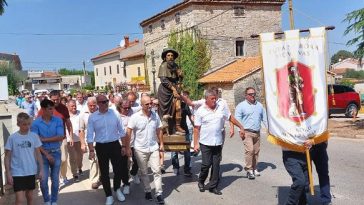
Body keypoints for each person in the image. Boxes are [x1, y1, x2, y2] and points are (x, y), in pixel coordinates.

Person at [193, 89, 245, 195]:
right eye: (212, 99)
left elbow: (230, 118)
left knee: (216, 165)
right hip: (205, 143)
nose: (214, 100)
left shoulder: (221, 108)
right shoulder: (200, 111)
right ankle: (201, 181)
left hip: (218, 142)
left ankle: (213, 186)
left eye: (215, 98)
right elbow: (196, 129)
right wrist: (195, 143)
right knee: (206, 164)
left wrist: (240, 126)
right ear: (206, 99)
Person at [86, 94, 129, 205]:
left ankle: (117, 189)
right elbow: (90, 135)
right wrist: (91, 150)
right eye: (103, 102)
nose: (105, 103)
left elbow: (122, 131)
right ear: (98, 104)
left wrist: (124, 146)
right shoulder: (93, 117)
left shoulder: (115, 114)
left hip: (115, 145)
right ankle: (108, 195)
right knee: (104, 173)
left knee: (118, 169)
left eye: (106, 101)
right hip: (101, 146)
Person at [126, 95, 165, 204]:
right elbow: (128, 131)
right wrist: (128, 147)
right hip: (140, 149)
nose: (149, 106)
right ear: (142, 105)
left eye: (150, 103)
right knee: (144, 172)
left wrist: (161, 143)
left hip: (153, 148)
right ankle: (148, 190)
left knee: (157, 171)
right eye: (147, 104)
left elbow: (159, 130)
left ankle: (159, 193)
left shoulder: (155, 116)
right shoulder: (135, 117)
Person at [5, 112, 43, 205]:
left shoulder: (34, 136)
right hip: (17, 172)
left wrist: (41, 170)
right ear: (18, 124)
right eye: (24, 124)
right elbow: (7, 157)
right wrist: (8, 173)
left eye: (29, 124)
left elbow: (38, 154)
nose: (27, 126)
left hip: (31, 171)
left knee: (30, 197)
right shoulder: (12, 138)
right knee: (20, 199)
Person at [31, 99, 64, 205]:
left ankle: (54, 201)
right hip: (42, 155)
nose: (52, 110)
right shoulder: (36, 123)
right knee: (43, 180)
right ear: (44, 109)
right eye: (50, 108)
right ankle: (46, 200)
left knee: (55, 180)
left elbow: (60, 136)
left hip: (56, 152)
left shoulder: (58, 120)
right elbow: (36, 142)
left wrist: (43, 139)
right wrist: (46, 154)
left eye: (53, 108)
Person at [38, 90, 73, 185]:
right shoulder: (43, 109)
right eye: (53, 100)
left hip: (62, 138)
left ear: (60, 98)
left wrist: (71, 137)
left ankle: (63, 175)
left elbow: (68, 123)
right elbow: (37, 122)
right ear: (50, 98)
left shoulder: (64, 108)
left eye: (57, 99)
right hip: (47, 139)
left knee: (64, 159)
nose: (55, 102)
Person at [235, 87, 267, 180]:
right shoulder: (241, 106)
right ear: (246, 95)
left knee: (256, 151)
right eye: (250, 94)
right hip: (246, 132)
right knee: (250, 150)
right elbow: (237, 119)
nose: (252, 95)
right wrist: (240, 130)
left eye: (254, 94)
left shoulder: (260, 106)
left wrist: (269, 129)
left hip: (257, 132)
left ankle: (254, 167)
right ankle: (249, 170)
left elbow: (264, 118)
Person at [157, 48, 185, 134]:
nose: (170, 57)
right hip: (165, 91)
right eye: (168, 55)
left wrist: (180, 76)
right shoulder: (163, 66)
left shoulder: (176, 66)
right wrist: (173, 90)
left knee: (178, 107)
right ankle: (165, 128)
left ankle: (177, 126)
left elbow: (179, 79)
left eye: (172, 56)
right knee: (165, 111)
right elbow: (164, 80)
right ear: (165, 57)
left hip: (175, 90)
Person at [79, 97, 102, 189]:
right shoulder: (83, 114)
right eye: (90, 105)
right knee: (93, 160)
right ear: (87, 105)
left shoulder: (101, 112)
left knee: (101, 160)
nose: (92, 107)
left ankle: (101, 176)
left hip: (101, 140)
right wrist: (82, 143)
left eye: (94, 105)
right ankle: (94, 180)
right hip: (90, 141)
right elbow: (81, 130)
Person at [171, 92, 193, 176]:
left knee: (187, 152)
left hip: (185, 131)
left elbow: (190, 117)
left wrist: (196, 126)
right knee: (174, 151)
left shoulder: (184, 105)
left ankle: (187, 169)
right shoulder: (170, 106)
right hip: (173, 131)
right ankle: (175, 167)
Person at [304, 140, 332, 205]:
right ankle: (303, 200)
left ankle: (326, 201)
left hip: (320, 145)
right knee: (306, 175)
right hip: (305, 146)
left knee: (323, 174)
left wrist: (324, 142)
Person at [115, 99, 134, 194]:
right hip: (121, 145)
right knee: (123, 166)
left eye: (128, 108)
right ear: (119, 107)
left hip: (134, 143)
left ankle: (134, 173)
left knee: (138, 163)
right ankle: (126, 184)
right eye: (125, 108)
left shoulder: (133, 113)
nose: (127, 109)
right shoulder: (115, 116)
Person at [66, 100, 84, 182]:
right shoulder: (66, 116)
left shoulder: (80, 113)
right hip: (70, 140)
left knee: (79, 157)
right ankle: (75, 174)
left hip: (79, 139)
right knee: (72, 157)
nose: (74, 107)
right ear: (68, 107)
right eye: (72, 106)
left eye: (75, 105)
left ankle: (79, 168)